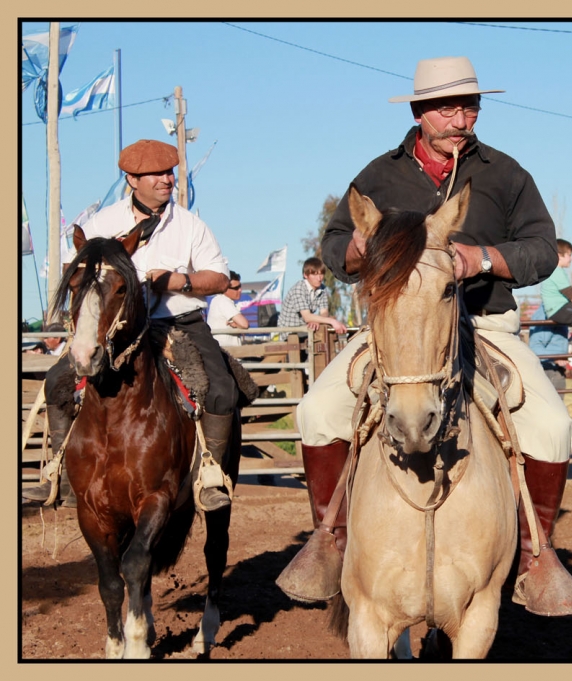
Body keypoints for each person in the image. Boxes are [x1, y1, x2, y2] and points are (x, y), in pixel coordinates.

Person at [296, 56, 572, 615]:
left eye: (470, 106)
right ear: (419, 112)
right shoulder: (378, 176)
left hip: (486, 326)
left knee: (551, 427)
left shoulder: (506, 174)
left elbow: (544, 249)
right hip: (395, 330)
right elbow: (335, 242)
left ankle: (534, 556)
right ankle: (331, 541)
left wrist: (484, 258)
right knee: (315, 413)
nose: (461, 118)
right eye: (448, 107)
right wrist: (358, 249)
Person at [22, 139, 239, 512]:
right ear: (131, 179)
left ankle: (210, 476)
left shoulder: (190, 226)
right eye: (156, 174)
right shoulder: (101, 223)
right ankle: (57, 471)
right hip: (115, 330)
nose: (167, 180)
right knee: (58, 381)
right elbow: (71, 270)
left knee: (220, 389)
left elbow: (219, 279)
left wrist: (175, 281)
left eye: (169, 172)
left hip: (178, 323)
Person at [276, 257, 348, 336]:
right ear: (305, 275)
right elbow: (307, 317)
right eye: (315, 274)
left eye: (321, 274)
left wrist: (317, 320)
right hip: (290, 332)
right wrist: (333, 321)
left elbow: (324, 312)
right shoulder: (299, 289)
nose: (319, 278)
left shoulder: (322, 289)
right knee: (324, 331)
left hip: (306, 329)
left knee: (327, 333)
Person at [528, 304, 570, 391]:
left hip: (552, 368)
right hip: (549, 369)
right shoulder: (547, 315)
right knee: (554, 403)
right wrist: (556, 357)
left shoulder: (553, 312)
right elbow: (535, 347)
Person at [207, 271, 249, 348]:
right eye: (236, 288)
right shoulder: (223, 301)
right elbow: (244, 324)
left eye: (240, 286)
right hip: (226, 354)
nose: (240, 290)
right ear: (225, 289)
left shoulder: (219, 300)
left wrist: (237, 325)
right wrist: (238, 325)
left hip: (225, 352)